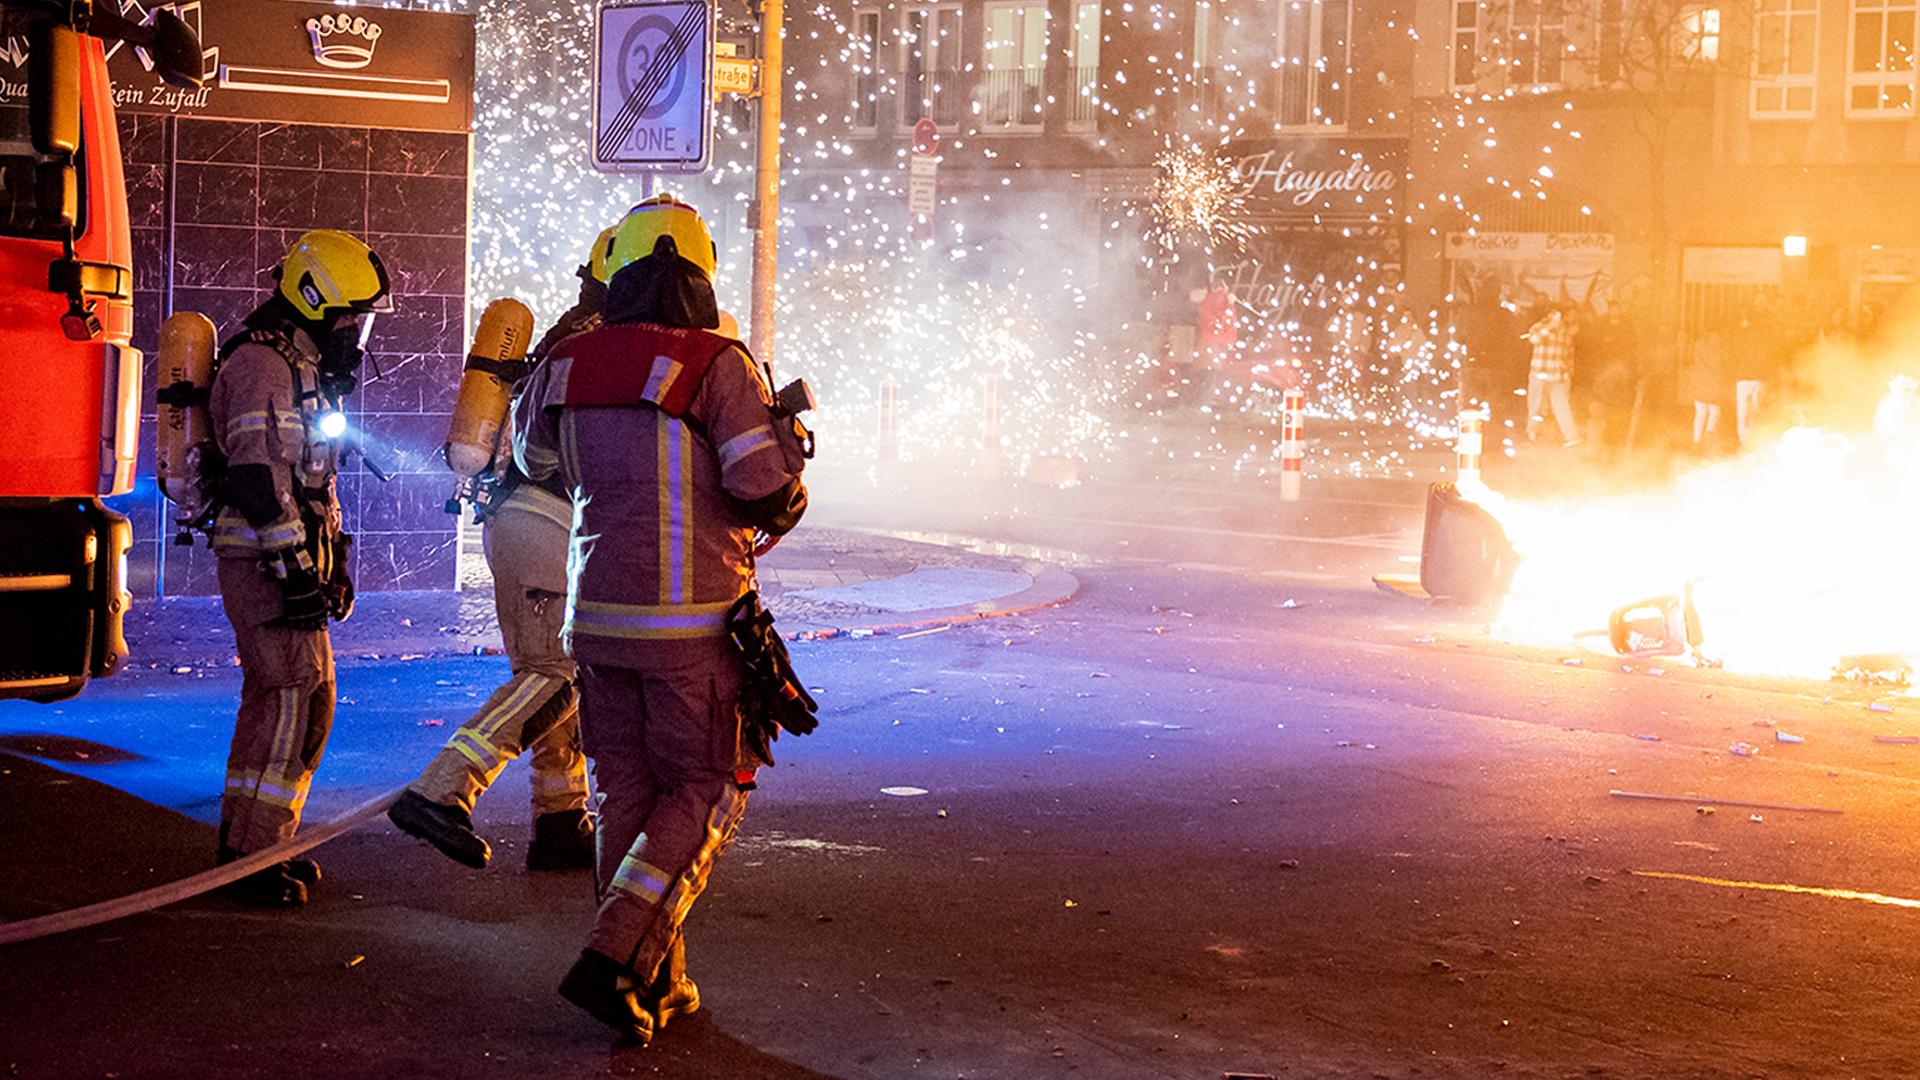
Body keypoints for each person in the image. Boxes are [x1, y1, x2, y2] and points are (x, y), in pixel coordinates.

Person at [514, 197, 810, 1042]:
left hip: (597, 618)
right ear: (703, 272)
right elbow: (762, 488)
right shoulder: (719, 363)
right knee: (708, 789)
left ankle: (656, 978)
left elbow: (534, 463)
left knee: (629, 794)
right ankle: (610, 957)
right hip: (693, 625)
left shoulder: (565, 362)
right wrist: (785, 441)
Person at [386, 227, 620, 872]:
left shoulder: (577, 331)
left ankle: (562, 819)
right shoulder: (602, 344)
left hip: (526, 518)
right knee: (557, 673)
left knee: (556, 669)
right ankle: (443, 790)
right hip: (541, 516)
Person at [209, 229, 391, 907]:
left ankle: (242, 844)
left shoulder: (302, 365)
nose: (357, 333)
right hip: (264, 562)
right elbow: (257, 480)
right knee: (299, 702)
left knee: (275, 698)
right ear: (313, 303)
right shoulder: (264, 366)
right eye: (350, 318)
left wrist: (334, 558)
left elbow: (312, 481)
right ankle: (258, 857)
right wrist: (294, 569)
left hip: (286, 560)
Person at [1523, 304, 1579, 446]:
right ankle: (1532, 435)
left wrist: (1567, 376)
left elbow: (1568, 355)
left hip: (1558, 377)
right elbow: (1534, 339)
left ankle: (1571, 436)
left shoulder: (1565, 332)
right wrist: (1550, 326)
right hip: (1539, 373)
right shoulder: (1540, 327)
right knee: (1535, 405)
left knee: (1562, 406)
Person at [1684, 315, 1732, 449]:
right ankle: (1708, 440)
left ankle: (1696, 441)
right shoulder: (1721, 346)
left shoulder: (1698, 344)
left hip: (1699, 384)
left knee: (1700, 414)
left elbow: (1690, 358)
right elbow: (1725, 365)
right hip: (1715, 384)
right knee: (1714, 413)